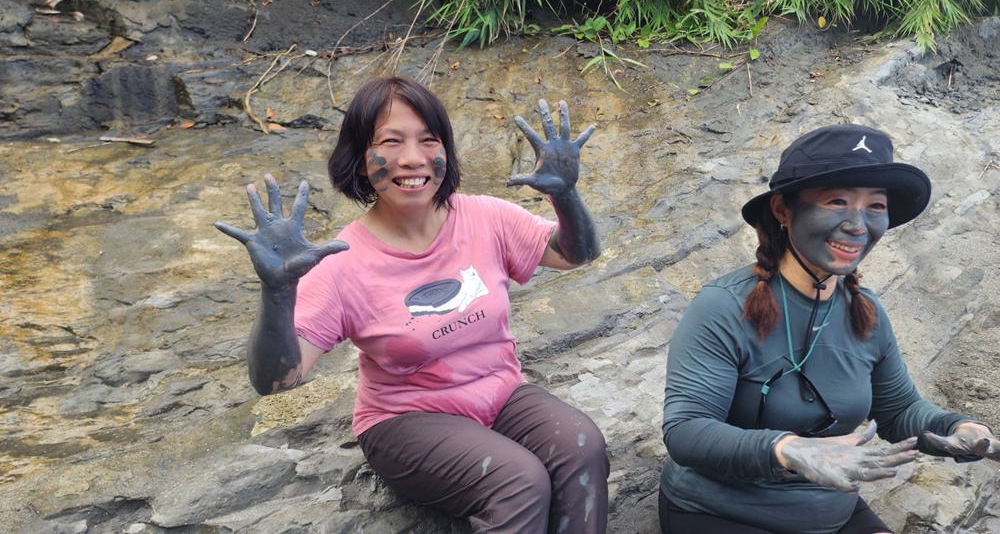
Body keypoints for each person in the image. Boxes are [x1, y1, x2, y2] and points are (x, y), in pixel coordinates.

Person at [215, 76, 609, 533]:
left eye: (428, 140)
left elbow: (573, 254)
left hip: (499, 393)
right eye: (391, 142)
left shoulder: (484, 216)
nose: (412, 158)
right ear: (361, 161)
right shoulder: (344, 261)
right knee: (518, 480)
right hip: (406, 420)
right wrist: (278, 292)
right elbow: (277, 382)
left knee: (584, 446)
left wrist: (565, 195)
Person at [658, 124, 1000, 534]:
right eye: (837, 201)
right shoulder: (724, 305)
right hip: (723, 513)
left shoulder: (865, 311)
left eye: (875, 206)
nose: (858, 226)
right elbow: (687, 429)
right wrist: (789, 450)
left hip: (832, 513)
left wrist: (960, 428)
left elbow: (898, 411)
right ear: (784, 210)